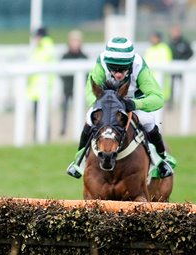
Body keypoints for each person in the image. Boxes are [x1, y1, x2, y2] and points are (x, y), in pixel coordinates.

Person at [66, 36, 176, 179]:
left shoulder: (138, 66)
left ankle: (162, 160)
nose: (118, 74)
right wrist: (101, 105)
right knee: (89, 117)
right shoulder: (102, 63)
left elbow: (157, 98)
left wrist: (134, 104)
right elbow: (89, 91)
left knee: (148, 120)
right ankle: (79, 161)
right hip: (108, 104)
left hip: (132, 102)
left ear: (130, 64)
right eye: (114, 69)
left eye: (123, 69)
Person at [27, 26, 56, 142]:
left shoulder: (46, 48)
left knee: (41, 116)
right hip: (36, 89)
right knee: (38, 116)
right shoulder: (40, 49)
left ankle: (43, 137)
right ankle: (38, 137)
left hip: (42, 88)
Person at [60, 30, 87, 136]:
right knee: (64, 110)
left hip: (79, 90)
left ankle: (82, 129)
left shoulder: (84, 57)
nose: (75, 43)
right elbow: (62, 73)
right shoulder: (65, 57)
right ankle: (63, 128)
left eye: (77, 41)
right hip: (67, 89)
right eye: (73, 41)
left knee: (81, 110)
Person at [143, 31, 173, 103]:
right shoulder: (149, 49)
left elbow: (166, 63)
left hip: (162, 81)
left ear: (159, 38)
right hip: (150, 81)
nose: (152, 39)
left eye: (154, 38)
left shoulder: (164, 48)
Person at [168, 25, 193, 107]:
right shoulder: (170, 43)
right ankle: (170, 102)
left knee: (184, 86)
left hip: (182, 68)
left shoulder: (185, 43)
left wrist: (184, 61)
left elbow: (190, 53)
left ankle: (185, 102)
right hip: (172, 68)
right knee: (171, 86)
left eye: (176, 32)